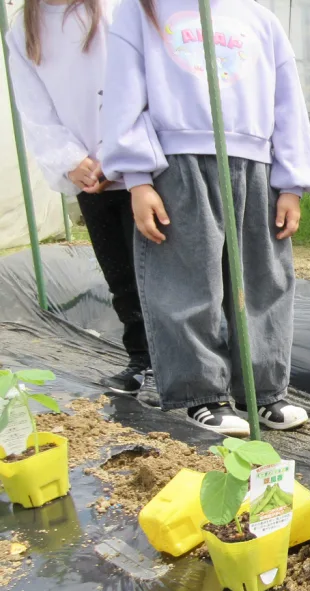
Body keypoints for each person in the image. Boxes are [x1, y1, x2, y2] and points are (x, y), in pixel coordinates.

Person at [99, 0, 310, 436]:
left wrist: (291, 183)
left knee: (264, 279)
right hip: (177, 163)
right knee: (188, 280)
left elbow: (288, 101)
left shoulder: (260, 18)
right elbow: (124, 93)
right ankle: (203, 394)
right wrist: (138, 178)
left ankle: (264, 391)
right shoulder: (141, 10)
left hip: (256, 164)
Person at [6, 0, 158, 404]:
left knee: (160, 273)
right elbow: (35, 111)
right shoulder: (23, 28)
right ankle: (142, 360)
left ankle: (184, 363)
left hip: (141, 167)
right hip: (88, 178)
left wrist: (115, 151)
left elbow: (138, 82)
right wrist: (72, 161)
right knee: (120, 276)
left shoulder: (112, 8)